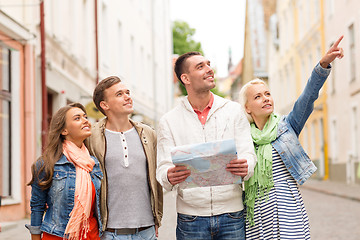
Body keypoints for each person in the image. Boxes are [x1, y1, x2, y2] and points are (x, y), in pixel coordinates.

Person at [238, 36, 344, 239]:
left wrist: (323, 65)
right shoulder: (243, 139)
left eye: (267, 93)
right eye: (257, 96)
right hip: (258, 216)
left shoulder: (288, 126)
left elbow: (308, 97)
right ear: (247, 108)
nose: (265, 98)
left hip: (289, 213)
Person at [156, 51, 257, 240]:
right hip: (191, 219)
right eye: (200, 66)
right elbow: (162, 169)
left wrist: (246, 166)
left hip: (232, 214)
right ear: (185, 78)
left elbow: (249, 155)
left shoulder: (234, 111)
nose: (209, 69)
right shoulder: (169, 121)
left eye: (208, 64)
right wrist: (169, 176)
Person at [87, 76, 163, 240]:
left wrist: (157, 217)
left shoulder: (148, 134)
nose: (127, 97)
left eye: (128, 92)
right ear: (104, 105)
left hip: (147, 231)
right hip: (110, 233)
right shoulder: (91, 137)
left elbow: (157, 177)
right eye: (119, 94)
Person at [26, 103, 103, 240]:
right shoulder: (46, 163)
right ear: (64, 131)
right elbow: (37, 206)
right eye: (77, 118)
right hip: (58, 236)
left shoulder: (93, 163)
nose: (85, 120)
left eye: (85, 116)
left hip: (91, 235)